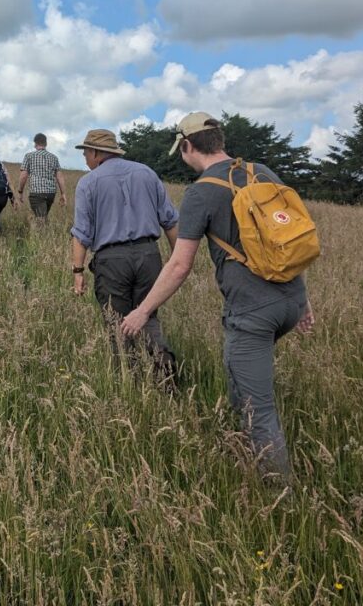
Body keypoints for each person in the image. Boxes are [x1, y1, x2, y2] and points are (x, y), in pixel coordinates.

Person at [120, 112, 315, 480]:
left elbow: (179, 265)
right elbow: (288, 240)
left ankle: (280, 500)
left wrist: (143, 310)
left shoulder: (201, 191)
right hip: (290, 299)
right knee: (242, 388)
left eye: (182, 150)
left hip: (254, 311)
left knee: (260, 410)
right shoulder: (263, 173)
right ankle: (245, 462)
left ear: (188, 146)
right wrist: (303, 300)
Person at [70, 128, 179, 385]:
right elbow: (170, 221)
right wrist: (178, 260)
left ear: (97, 153)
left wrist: (78, 272)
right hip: (149, 256)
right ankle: (165, 376)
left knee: (117, 323)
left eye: (86, 152)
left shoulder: (88, 182)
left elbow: (81, 233)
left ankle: (130, 383)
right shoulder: (147, 173)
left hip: (111, 261)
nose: (85, 158)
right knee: (147, 315)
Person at [18, 132, 67, 220]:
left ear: (35, 143)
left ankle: (42, 233)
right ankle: (45, 233)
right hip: (51, 193)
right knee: (43, 217)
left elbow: (23, 176)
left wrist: (20, 191)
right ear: (46, 143)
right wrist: (63, 193)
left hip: (36, 192)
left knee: (40, 220)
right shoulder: (54, 157)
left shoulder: (29, 156)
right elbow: (60, 176)